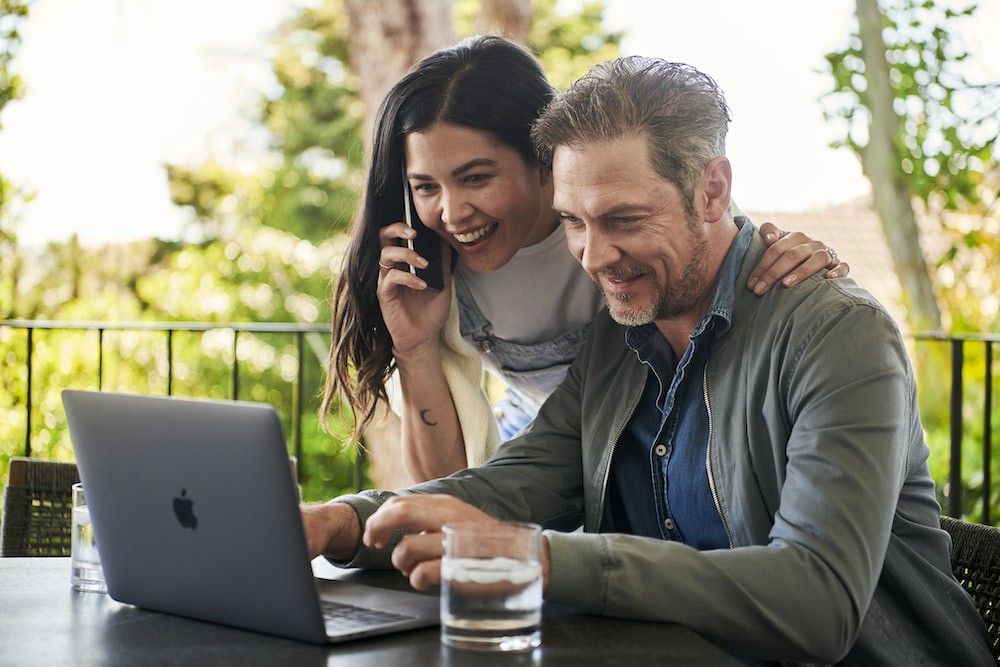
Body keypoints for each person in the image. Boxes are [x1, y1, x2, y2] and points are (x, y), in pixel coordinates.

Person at [302, 56, 993, 665]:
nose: (595, 258)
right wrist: (344, 521)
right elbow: (515, 481)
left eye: (623, 220)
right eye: (574, 222)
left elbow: (819, 603)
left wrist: (539, 557)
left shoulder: (836, 334)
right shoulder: (620, 334)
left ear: (714, 191)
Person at [321, 35, 849, 483]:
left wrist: (792, 257)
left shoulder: (636, 214)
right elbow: (445, 487)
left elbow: (727, 246)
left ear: (545, 162)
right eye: (426, 187)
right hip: (539, 452)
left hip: (660, 448)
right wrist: (414, 348)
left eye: (476, 177)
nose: (452, 212)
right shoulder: (431, 273)